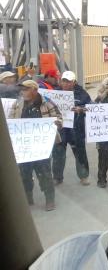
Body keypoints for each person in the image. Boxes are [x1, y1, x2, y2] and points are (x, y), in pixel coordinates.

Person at [9, 80, 62, 211]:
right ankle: (28, 198)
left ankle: (49, 199)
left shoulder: (47, 103)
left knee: (44, 173)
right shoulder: (17, 104)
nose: (23, 92)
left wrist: (57, 123)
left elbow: (59, 117)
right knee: (24, 174)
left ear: (34, 90)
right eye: (22, 89)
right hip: (24, 147)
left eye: (26, 89)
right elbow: (10, 120)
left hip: (41, 147)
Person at [53, 71, 92, 186]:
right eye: (64, 81)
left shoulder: (82, 93)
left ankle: (84, 176)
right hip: (61, 129)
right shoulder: (55, 93)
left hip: (76, 129)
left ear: (74, 82)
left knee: (80, 153)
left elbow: (91, 107)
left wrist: (81, 109)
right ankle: (57, 177)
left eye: (69, 81)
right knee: (58, 153)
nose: (66, 84)